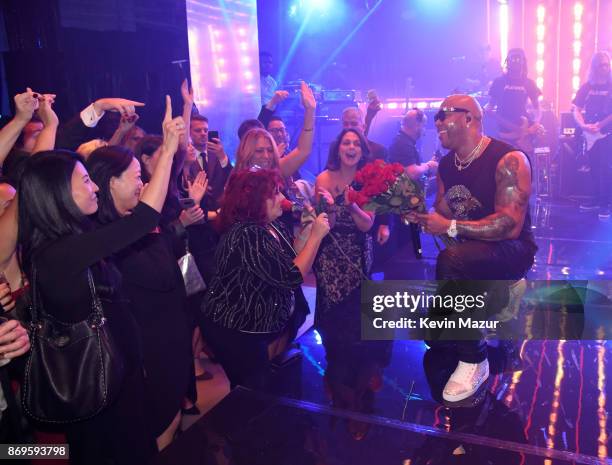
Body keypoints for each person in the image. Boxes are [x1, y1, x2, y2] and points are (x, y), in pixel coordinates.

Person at [17, 96, 185, 465]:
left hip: (116, 382)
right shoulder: (60, 253)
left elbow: (40, 170)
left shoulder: (74, 237)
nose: (95, 187)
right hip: (95, 389)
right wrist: (169, 148)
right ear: (58, 192)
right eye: (85, 181)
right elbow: (142, 220)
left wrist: (55, 122)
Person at [411, 94, 536, 403]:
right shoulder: (446, 164)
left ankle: (474, 360)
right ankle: (495, 298)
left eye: (443, 115)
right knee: (434, 339)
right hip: (470, 250)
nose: (436, 122)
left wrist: (450, 227)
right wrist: (418, 212)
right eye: (435, 117)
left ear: (469, 118)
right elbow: (443, 210)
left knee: (450, 259)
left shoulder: (508, 159)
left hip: (511, 249)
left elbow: (509, 225)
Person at [87, 145, 193, 451]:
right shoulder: (105, 235)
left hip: (170, 340)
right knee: (159, 427)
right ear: (111, 183)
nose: (143, 184)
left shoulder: (134, 224)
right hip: (148, 352)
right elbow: (159, 277)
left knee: (171, 421)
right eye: (136, 177)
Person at [200, 168, 330, 390]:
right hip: (234, 329)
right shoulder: (247, 234)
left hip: (252, 326)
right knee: (252, 389)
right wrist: (316, 238)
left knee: (258, 384)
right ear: (256, 199)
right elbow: (291, 276)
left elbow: (291, 258)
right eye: (276, 193)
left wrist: (309, 229)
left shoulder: (271, 225)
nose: (283, 198)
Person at [313, 129, 375, 344]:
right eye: (346, 143)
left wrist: (352, 206)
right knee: (332, 316)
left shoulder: (369, 180)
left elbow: (367, 225)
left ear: (362, 151)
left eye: (356, 144)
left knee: (357, 318)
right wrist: (330, 207)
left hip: (358, 251)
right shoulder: (323, 179)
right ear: (338, 149)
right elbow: (325, 224)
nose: (351, 147)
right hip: (330, 253)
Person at [341, 106, 390, 246]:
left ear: (363, 126)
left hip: (370, 218)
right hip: (342, 219)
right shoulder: (336, 150)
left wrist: (384, 223)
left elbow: (385, 189)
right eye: (345, 124)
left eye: (354, 123)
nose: (349, 127)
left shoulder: (378, 151)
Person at [573, 51, 612, 219]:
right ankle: (597, 200)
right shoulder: (587, 87)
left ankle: (605, 204)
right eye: (602, 64)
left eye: (607, 64)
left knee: (605, 168)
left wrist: (600, 125)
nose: (605, 67)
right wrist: (583, 125)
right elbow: (576, 109)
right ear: (595, 67)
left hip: (606, 132)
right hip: (590, 134)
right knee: (594, 168)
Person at [486, 48, 543, 153]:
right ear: (508, 61)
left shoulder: (529, 83)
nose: (515, 61)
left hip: (524, 132)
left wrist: (536, 123)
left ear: (523, 61)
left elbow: (537, 107)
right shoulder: (499, 82)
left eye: (518, 58)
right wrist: (486, 111)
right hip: (503, 132)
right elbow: (490, 107)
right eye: (513, 58)